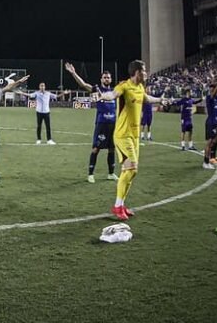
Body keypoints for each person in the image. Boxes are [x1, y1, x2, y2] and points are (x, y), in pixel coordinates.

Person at [96, 60, 168, 221]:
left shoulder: (140, 87)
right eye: (144, 71)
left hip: (135, 136)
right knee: (132, 169)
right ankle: (117, 206)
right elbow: (112, 94)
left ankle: (121, 205)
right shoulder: (124, 86)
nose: (146, 73)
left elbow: (146, 98)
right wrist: (103, 96)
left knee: (129, 171)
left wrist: (159, 100)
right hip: (123, 135)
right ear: (137, 72)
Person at [64, 63, 119, 183]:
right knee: (96, 149)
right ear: (101, 79)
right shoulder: (96, 89)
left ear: (111, 79)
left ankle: (111, 173)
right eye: (105, 77)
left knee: (112, 148)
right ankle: (90, 174)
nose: (107, 79)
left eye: (108, 77)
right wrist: (73, 73)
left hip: (113, 124)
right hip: (101, 124)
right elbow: (83, 84)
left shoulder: (114, 92)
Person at [203, 74, 217, 169]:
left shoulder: (216, 100)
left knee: (212, 142)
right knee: (209, 143)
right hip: (211, 122)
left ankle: (209, 159)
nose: (215, 90)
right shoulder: (210, 97)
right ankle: (205, 162)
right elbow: (214, 92)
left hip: (215, 123)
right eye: (213, 89)